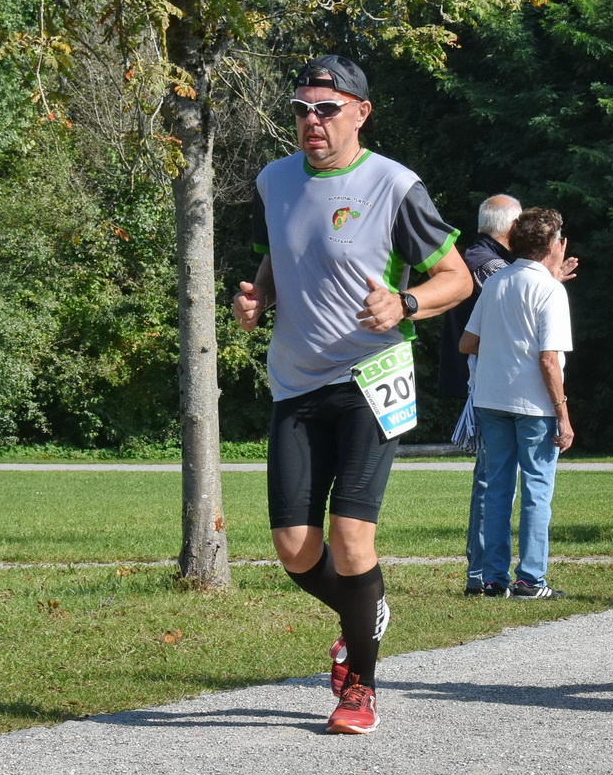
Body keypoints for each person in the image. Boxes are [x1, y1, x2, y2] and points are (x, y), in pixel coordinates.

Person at [233, 54, 473, 734]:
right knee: (293, 547)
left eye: (326, 109)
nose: (311, 121)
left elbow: (457, 278)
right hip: (297, 382)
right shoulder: (274, 181)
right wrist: (258, 299)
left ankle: (360, 686)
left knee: (350, 535)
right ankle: (361, 610)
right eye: (302, 108)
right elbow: (279, 254)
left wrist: (405, 301)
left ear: (361, 113)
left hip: (373, 375)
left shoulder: (395, 186)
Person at [459, 207, 575, 597]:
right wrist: (564, 414)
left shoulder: (496, 282)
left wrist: (503, 343)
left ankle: (493, 577)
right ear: (553, 246)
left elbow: (467, 342)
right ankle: (530, 577)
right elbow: (548, 359)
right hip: (535, 405)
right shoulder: (550, 290)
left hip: (491, 398)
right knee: (537, 491)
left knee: (497, 490)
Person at [439, 194, 522, 596]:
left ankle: (484, 570)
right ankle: (481, 573)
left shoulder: (477, 258)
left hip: (487, 381)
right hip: (489, 385)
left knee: (492, 477)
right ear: (510, 227)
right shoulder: (488, 265)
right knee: (491, 479)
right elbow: (510, 319)